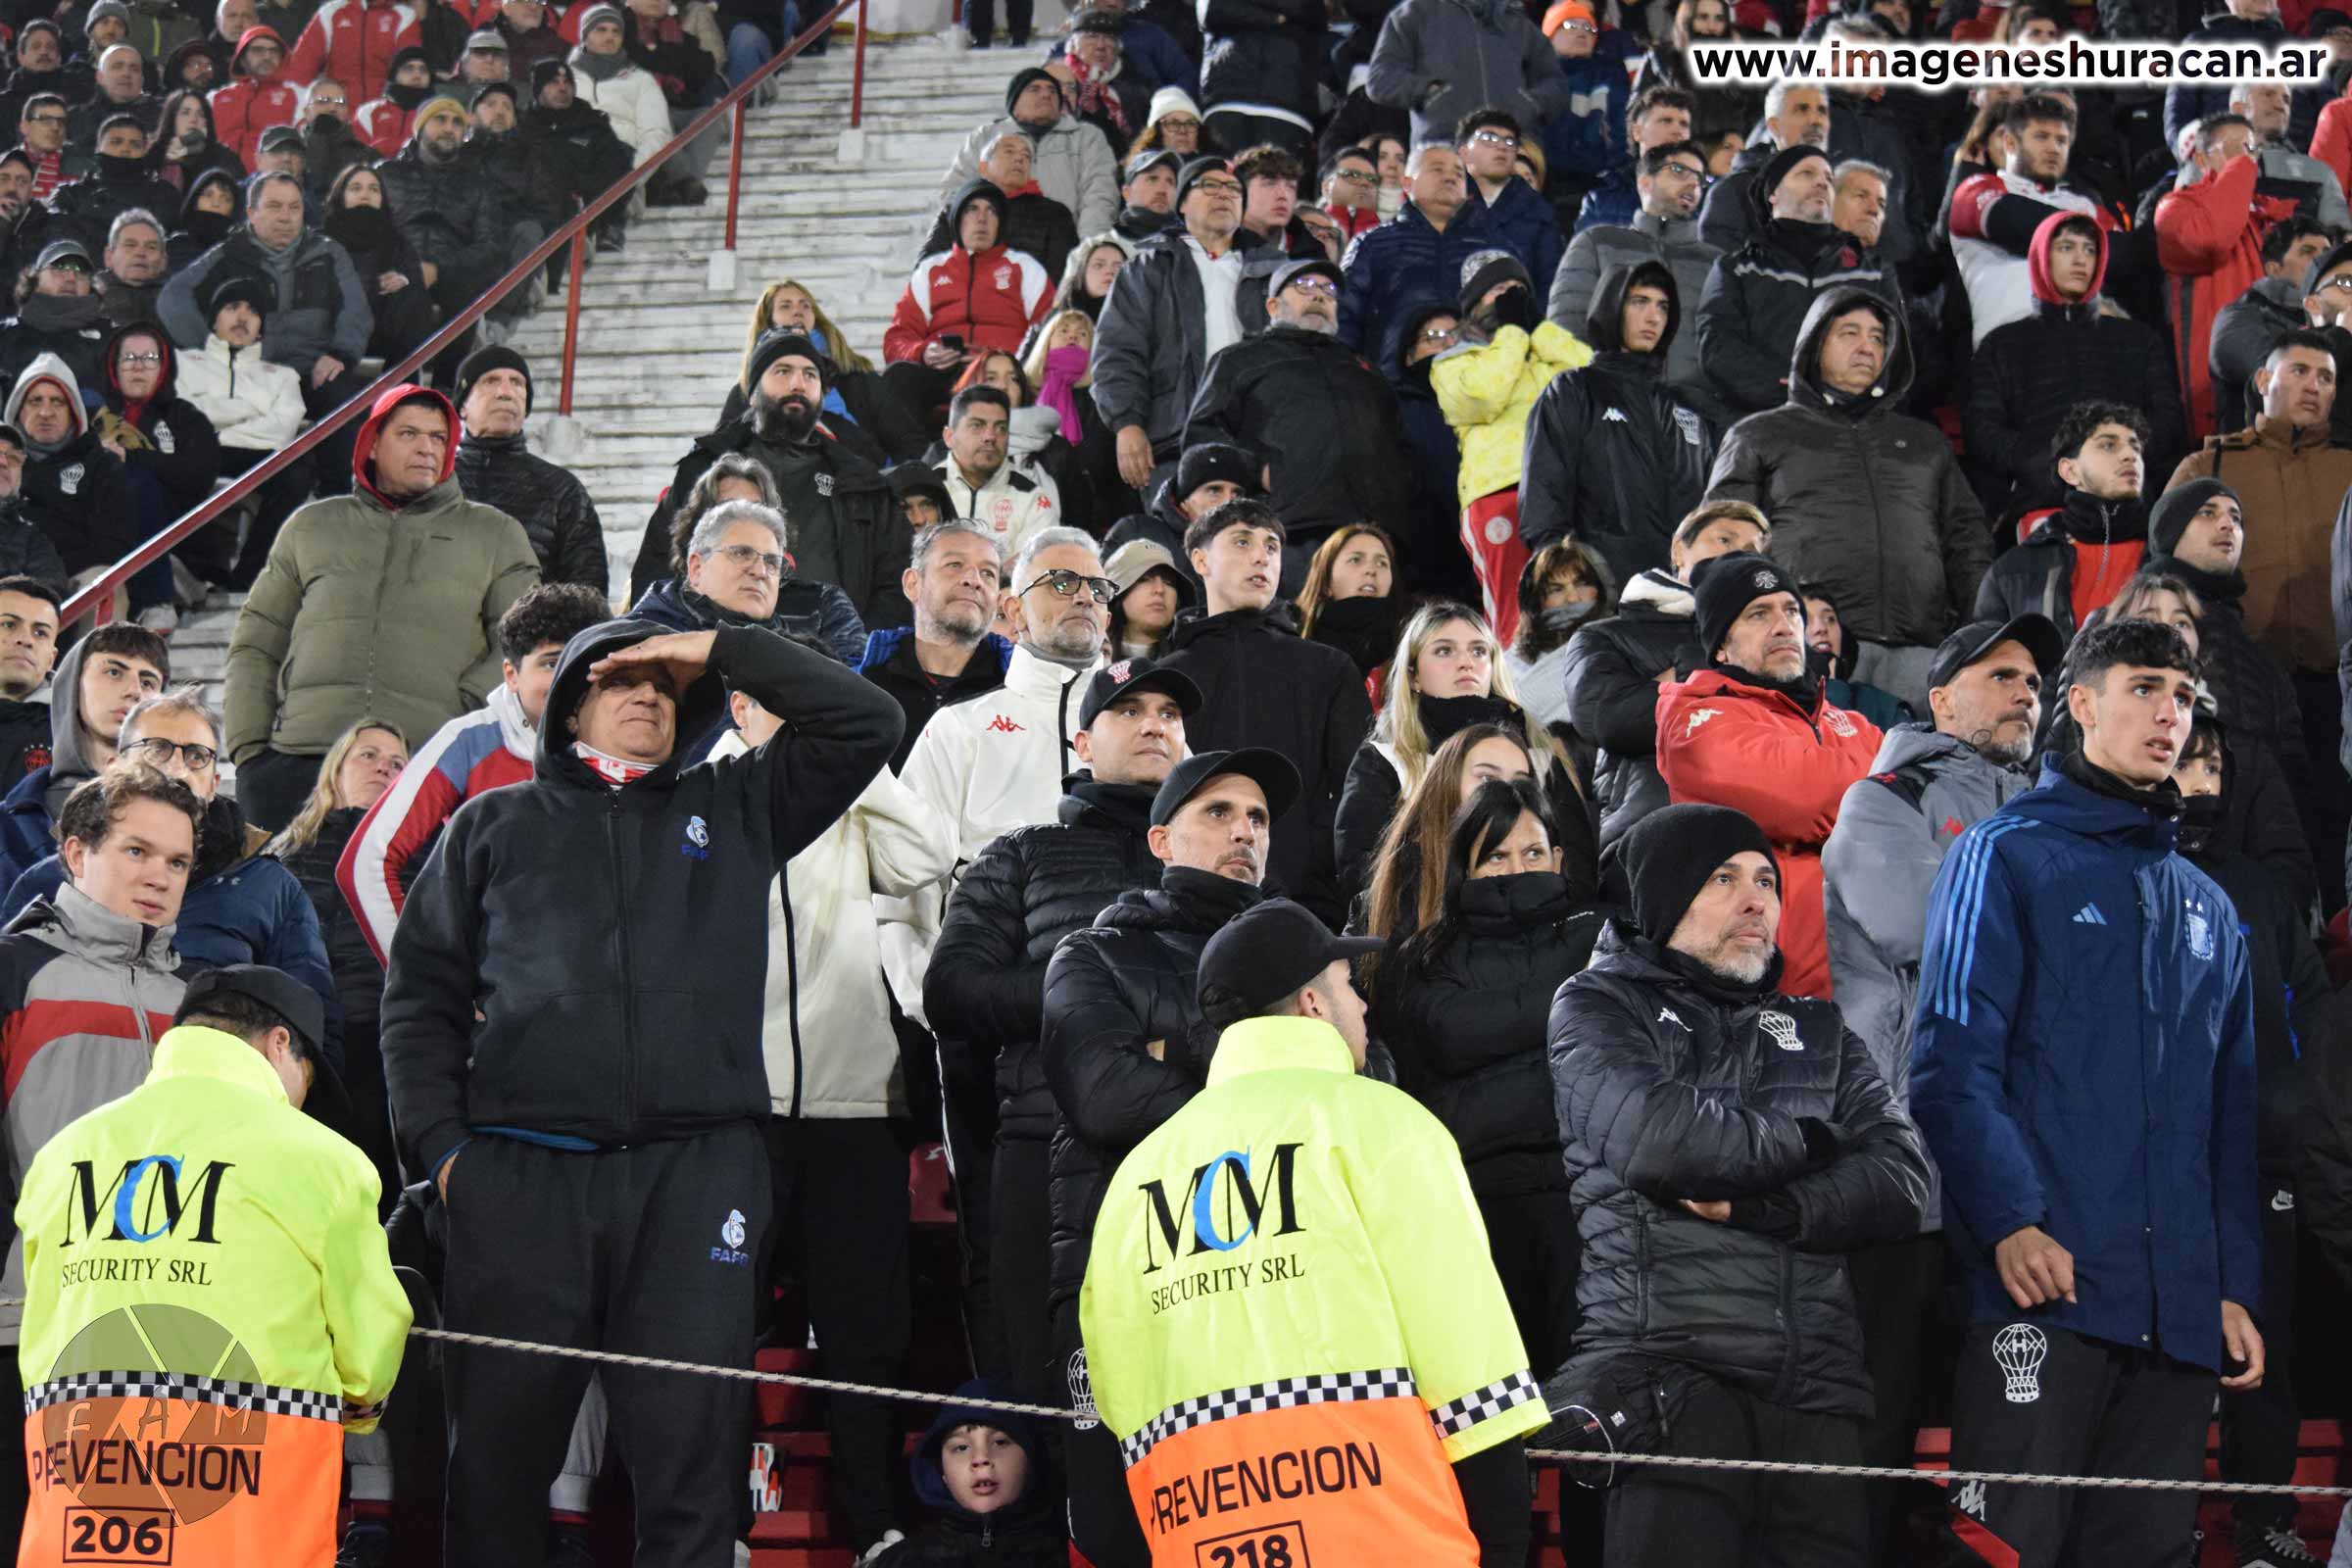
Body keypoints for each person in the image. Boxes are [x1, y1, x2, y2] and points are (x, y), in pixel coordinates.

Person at [380, 612, 903, 1567]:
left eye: (664, 687)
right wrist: (447, 1156)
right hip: (521, 1180)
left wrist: (720, 649)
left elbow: (867, 720)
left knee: (691, 1482)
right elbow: (419, 1006)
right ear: (568, 710)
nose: (647, 697)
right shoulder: (490, 824)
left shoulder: (738, 803)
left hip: (696, 1177)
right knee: (496, 1476)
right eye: (620, 680)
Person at [1910, 616, 2264, 1568]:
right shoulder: (2003, 853)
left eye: (2182, 697)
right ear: (2081, 704)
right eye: (2144, 687)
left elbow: (2230, 1128)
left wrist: (2232, 1286)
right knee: (2004, 1553)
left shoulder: (2212, 907)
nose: (2169, 714)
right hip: (2044, 1289)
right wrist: (2011, 1220)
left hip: (2178, 1315)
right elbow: (1949, 1063)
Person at [1083, 889, 1547, 1567]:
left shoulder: (1138, 1173)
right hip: (1388, 1537)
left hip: (1200, 1538)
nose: (1363, 1006)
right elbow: (1467, 1356)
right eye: (1349, 986)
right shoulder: (1382, 1124)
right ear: (1311, 1004)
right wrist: (1503, 1536)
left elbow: (1118, 1387)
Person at [1547, 800, 1931, 1567]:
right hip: (1671, 1379)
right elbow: (1666, 1141)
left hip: (1818, 1392)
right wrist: (1816, 1140)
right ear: (1663, 895)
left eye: (1766, 881)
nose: (1757, 899)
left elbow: (1904, 1179)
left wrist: (1774, 1206)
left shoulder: (1819, 1029)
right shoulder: (1596, 1003)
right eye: (1723, 878)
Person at [14, 960, 409, 1567]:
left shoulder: (62, 1154)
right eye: (306, 1077)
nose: (301, 1099)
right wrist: (359, 1407)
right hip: (245, 1516)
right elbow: (367, 1356)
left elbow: (40, 1328)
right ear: (280, 1045)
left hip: (81, 1502)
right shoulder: (324, 1160)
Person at [1819, 612, 2059, 1563]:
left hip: (2018, 1161)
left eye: (2035, 680)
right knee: (1883, 1410)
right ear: (1942, 698)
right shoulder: (1883, 799)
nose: (2025, 692)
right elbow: (1932, 932)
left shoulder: (2055, 807)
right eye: (2002, 675)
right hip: (1910, 1158)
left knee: (2009, 1408)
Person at [710, 670, 952, 1563]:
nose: (808, 715)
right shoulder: (702, 787)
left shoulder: (847, 790)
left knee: (867, 1329)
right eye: (788, 699)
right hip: (734, 1110)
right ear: (741, 707)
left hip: (855, 1104)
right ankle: (717, 1527)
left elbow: (927, 858)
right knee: (717, 1327)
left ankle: (874, 1526)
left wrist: (854, 766)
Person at [1040, 745, 1292, 1566]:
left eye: (1257, 818)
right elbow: (1106, 1094)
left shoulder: (1303, 957)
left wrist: (1171, 1053)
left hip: (1273, 1270)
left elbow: (1366, 1077)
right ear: (1160, 842)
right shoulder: (1092, 952)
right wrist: (1263, 1076)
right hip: (1121, 1272)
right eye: (1218, 813)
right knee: (1119, 1531)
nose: (1245, 832)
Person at [925, 656, 1195, 1397]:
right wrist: (1092, 997)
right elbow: (951, 992)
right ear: (1081, 743)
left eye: (1169, 714)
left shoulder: (1217, 859)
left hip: (1192, 1142)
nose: (1154, 726)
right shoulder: (1020, 853)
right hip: (1042, 1143)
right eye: (1129, 711)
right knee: (1050, 1391)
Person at [0, 762, 202, 1539]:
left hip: (159, 1329)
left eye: (178, 862)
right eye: (137, 851)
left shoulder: (204, 1003)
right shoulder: (15, 971)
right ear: (77, 853)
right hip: (25, 1320)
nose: (160, 877)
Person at [222, 383, 538, 832]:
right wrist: (249, 751)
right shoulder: (311, 526)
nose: (427, 448)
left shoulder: (495, 533)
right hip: (300, 758)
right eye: (409, 434)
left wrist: (460, 715)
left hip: (426, 758)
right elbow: (257, 640)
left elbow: (522, 642)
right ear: (371, 443)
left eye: (439, 437)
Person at [2171, 709, 2331, 1568]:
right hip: (2162, 1158)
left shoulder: (2262, 890)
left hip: (2263, 1154)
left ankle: (2265, 1517)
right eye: (2184, 765)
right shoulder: (2128, 876)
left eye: (2212, 769)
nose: (2199, 785)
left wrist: (2292, 1109)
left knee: (2269, 1343)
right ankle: (2167, 1520)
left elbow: (2310, 1004)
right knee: (2166, 1348)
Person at [1370, 774, 1599, 1376]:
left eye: (1533, 852)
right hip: (1477, 1202)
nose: (1517, 870)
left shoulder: (1601, 934)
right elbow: (1448, 1036)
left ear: (1559, 858)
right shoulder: (1425, 956)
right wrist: (1569, 1006)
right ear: (1464, 868)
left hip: (1591, 1193)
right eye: (1496, 856)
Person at [1707, 288, 1989, 710]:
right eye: (1849, 333)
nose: (1866, 347)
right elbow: (1721, 541)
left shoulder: (1924, 442)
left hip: (1921, 652)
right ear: (1814, 343)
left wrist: (1975, 636)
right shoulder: (1758, 435)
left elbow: (1967, 542)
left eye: (1878, 337)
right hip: (1810, 649)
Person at [338, 582, 608, 976]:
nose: (569, 678)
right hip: (502, 994)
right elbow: (367, 862)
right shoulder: (469, 741)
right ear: (511, 675)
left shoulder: (633, 740)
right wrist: (425, 985)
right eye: (551, 663)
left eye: (582, 662)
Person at [1656, 552, 1884, 999]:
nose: (1783, 626)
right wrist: (1874, 783)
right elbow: (1805, 798)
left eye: (1791, 611)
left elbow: (1910, 804)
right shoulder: (1695, 719)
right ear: (1721, 646)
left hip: (1873, 977)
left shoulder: (1850, 722)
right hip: (1770, 989)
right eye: (1759, 614)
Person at [1160, 499, 1374, 924]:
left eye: (1271, 546)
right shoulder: (1166, 678)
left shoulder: (1329, 668)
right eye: (1242, 542)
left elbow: (1359, 794)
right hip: (1187, 907)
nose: (1261, 556)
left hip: (1309, 908)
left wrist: (1318, 869)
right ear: (1200, 560)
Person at [639, 330, 905, 629]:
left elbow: (893, 581)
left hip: (830, 648)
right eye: (783, 371)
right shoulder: (704, 467)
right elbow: (659, 562)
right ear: (753, 393)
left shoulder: (860, 481)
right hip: (713, 641)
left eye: (810, 375)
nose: (798, 384)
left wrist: (857, 643)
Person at [1335, 597, 1588, 901]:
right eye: (1444, 651)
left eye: (1479, 651)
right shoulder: (1387, 760)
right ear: (1413, 675)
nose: (1466, 662)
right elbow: (1362, 872)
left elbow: (1578, 867)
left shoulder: (1540, 756)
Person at [1182, 254, 1410, 585]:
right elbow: (1204, 436)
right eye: (1304, 286)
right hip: (1290, 529)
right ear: (1273, 306)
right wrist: (1257, 473)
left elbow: (1399, 443)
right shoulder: (1239, 360)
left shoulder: (1364, 371)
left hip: (1375, 534)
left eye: (1329, 291)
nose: (1319, 295)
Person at [1562, 499, 1763, 848]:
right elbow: (1608, 717)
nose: (1737, 555)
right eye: (1724, 540)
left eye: (1751, 550)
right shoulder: (1605, 635)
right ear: (1678, 551)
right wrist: (1701, 670)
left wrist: (1666, 683)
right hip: (1648, 831)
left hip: (1756, 830)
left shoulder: (1771, 640)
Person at [155, 169, 373, 482]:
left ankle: (336, 495)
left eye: (294, 207)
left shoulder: (329, 252)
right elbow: (172, 297)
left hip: (312, 371)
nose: (285, 217)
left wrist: (341, 353)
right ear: (250, 213)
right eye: (274, 206)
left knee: (345, 403)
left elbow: (356, 310)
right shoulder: (228, 253)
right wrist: (213, 350)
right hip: (250, 376)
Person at [1967, 213, 2187, 519]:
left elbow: (2168, 418)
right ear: (2042, 256)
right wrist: (2040, 463)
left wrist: (2118, 458)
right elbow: (1982, 429)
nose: (2081, 259)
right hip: (2040, 503)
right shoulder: (2001, 345)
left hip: (2130, 504)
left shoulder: (2138, 339)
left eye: (2090, 249)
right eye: (2066, 247)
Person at [1522, 258, 1714, 591]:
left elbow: (1712, 508)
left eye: (1663, 307)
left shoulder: (1686, 406)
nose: (1654, 317)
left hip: (1684, 592)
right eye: (1639, 302)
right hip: (1603, 592)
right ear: (1611, 306)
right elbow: (1544, 497)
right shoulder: (1574, 391)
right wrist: (1565, 581)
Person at [1433, 246, 1589, 639]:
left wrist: (1539, 328)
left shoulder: (1546, 354)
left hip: (1565, 493)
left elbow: (1591, 380)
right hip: (1499, 493)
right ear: (1474, 303)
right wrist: (1514, 332)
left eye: (1518, 289)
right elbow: (1483, 396)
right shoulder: (1453, 360)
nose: (1510, 297)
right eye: (1498, 290)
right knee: (1514, 618)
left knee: (1578, 611)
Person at [1090, 157, 1262, 494]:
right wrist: (1127, 424)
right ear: (1181, 203)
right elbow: (1117, 352)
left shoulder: (1269, 271)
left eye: (1233, 189)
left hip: (1253, 440)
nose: (1223, 194)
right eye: (1209, 185)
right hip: (1172, 441)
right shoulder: (1146, 269)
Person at [1696, 145, 1902, 420]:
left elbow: (1896, 348)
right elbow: (1719, 349)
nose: (1822, 182)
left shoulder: (1873, 271)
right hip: (1765, 423)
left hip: (1852, 424)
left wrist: (1846, 398)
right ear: (1772, 193)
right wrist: (1794, 390)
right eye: (1807, 173)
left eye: (1828, 178)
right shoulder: (1737, 269)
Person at [633, 499, 864, 741]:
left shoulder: (805, 640)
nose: (760, 571)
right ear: (696, 568)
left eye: (772, 562)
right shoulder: (641, 641)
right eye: (742, 553)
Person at [1548, 137, 1722, 419]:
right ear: (1644, 183)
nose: (1693, 183)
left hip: (1692, 416)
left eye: (1701, 179)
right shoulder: (1597, 242)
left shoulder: (1715, 262)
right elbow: (1566, 328)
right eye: (1679, 171)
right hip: (1608, 407)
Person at [2160, 114, 2299, 440]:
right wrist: (2240, 167)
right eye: (2234, 147)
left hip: (2279, 373)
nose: (2246, 157)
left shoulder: (2271, 215)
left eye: (2251, 149)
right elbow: (2213, 238)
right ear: (2201, 159)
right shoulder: (2176, 207)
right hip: (2216, 387)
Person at [170, 273, 313, 589]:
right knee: (174, 465)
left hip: (254, 455)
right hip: (195, 452)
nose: (243, 317)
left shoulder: (283, 376)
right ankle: (200, 572)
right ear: (214, 319)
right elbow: (182, 415)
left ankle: (250, 575)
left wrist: (217, 429)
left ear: (261, 326)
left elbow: (281, 430)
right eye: (233, 307)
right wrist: (249, 412)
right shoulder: (182, 363)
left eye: (253, 311)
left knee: (297, 474)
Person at [1973, 403, 2151, 641]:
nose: (2130, 455)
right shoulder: (2013, 572)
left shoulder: (2167, 554)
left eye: (2136, 447)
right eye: (2108, 445)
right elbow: (1986, 657)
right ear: (2070, 471)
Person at [1947, 94, 2114, 347]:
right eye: (2041, 137)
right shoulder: (1975, 189)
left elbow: (2125, 256)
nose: (2054, 148)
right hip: (2010, 348)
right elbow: (2014, 222)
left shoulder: (2086, 204)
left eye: (2061, 140)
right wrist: (2092, 239)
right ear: (2010, 142)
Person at [856, 520, 1013, 773]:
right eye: (955, 565)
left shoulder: (1016, 690)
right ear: (912, 584)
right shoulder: (862, 687)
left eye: (988, 573)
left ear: (998, 600)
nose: (974, 580)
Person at [450, 345, 606, 593]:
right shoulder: (434, 480)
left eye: (517, 383)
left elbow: (588, 590)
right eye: (490, 381)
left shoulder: (563, 489)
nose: (505, 392)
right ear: (462, 406)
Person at [1338, 139, 1497, 373]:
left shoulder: (1491, 248)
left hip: (1476, 383)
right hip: (1390, 384)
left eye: (1458, 173)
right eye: (1437, 169)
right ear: (1407, 183)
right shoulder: (1372, 244)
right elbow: (1344, 319)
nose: (1450, 177)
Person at [870, 1387, 1066, 1567]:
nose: (981, 1458)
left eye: (1000, 1442)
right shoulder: (905, 1561)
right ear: (942, 1473)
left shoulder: (1068, 1553)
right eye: (961, 1447)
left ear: (1031, 1460)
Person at [8, 353, 138, 591]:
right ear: (17, 410)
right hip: (10, 579)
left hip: (76, 580)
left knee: (103, 581)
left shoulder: (103, 466)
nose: (46, 412)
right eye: (35, 401)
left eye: (57, 402)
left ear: (74, 412)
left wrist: (50, 572)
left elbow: (114, 547)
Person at [941, 68, 1118, 238]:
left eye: (1052, 91)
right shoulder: (985, 137)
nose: (1046, 94)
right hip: (996, 248)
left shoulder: (1087, 137)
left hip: (1067, 246)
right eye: (1035, 89)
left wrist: (1086, 247)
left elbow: (1100, 193)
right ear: (1014, 104)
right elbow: (954, 191)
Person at [1367, 0, 1566, 149]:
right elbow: (1380, 79)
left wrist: (1530, 104)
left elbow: (1556, 84)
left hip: (1511, 151)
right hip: (1444, 151)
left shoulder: (1518, 22)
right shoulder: (1415, 12)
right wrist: (1430, 92)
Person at [1102, 439, 1255, 599]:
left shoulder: (1255, 548)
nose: (1227, 502)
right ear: (1185, 498)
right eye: (1214, 491)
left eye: (1236, 494)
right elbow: (1099, 596)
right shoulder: (1136, 531)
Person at [929, 381, 1062, 559]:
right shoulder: (926, 490)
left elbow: (1037, 568)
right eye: (977, 425)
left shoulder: (1031, 498)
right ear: (949, 437)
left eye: (1001, 428)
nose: (990, 436)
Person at [1291, 521, 1398, 686]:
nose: (1371, 570)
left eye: (1382, 563)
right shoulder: (1292, 642)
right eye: (1356, 560)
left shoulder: (1409, 648)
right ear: (1326, 581)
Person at [205, 24, 299, 168]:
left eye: (274, 51)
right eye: (258, 50)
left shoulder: (297, 96)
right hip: (222, 177)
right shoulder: (215, 99)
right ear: (242, 58)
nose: (267, 56)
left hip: (273, 177)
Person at [0, 575, 58, 784]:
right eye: (9, 624)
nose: (26, 640)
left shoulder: (73, 728)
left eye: (40, 633)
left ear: (51, 659)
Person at [1104, 537, 1191, 661]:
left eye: (1169, 582)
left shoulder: (1195, 656)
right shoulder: (1087, 658)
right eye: (1144, 579)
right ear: (1118, 594)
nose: (1160, 589)